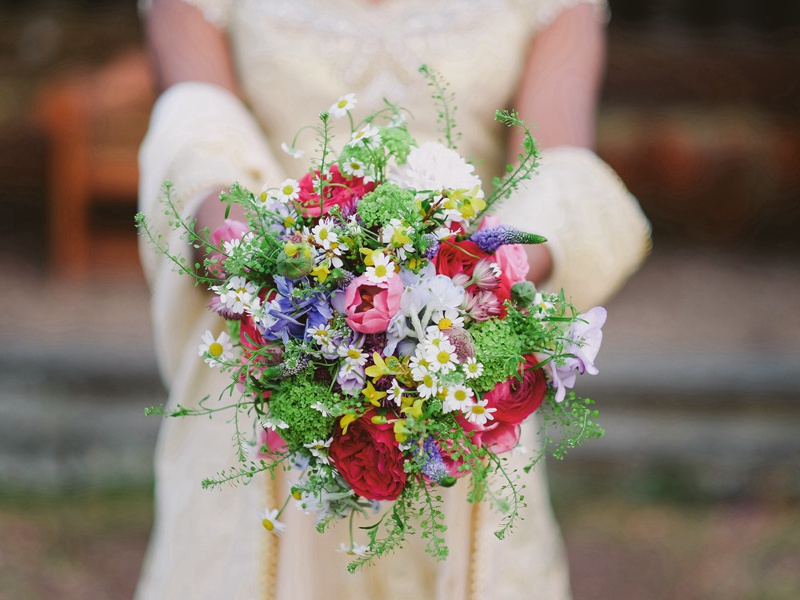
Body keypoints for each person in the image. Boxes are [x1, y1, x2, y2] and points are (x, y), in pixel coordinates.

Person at [136, 1, 651, 598]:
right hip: (276, 356)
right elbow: (196, 128)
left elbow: (554, 165)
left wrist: (481, 276)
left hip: (459, 363)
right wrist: (253, 254)